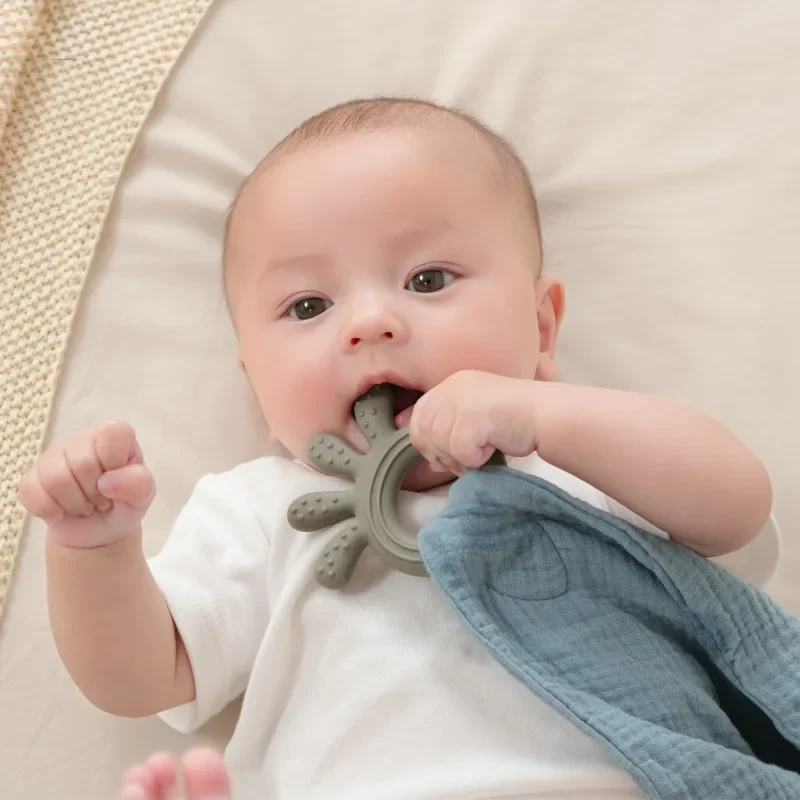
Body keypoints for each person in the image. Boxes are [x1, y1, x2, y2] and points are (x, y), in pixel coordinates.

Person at [19, 98, 776, 800]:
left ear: (541, 329)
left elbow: (734, 506)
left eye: (428, 278)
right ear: (257, 386)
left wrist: (544, 414)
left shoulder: (582, 457)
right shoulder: (261, 510)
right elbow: (145, 676)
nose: (372, 321)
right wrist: (96, 552)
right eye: (308, 305)